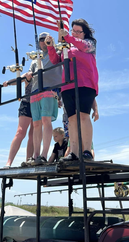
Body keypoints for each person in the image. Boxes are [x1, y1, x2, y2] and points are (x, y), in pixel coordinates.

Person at [46, 18, 99, 161]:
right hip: (67, 86)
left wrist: (67, 36)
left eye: (78, 31)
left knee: (83, 116)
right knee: (72, 120)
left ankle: (87, 151)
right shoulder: (67, 46)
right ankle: (74, 152)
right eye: (73, 30)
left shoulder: (90, 44)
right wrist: (51, 47)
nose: (75, 33)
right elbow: (56, 60)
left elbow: (82, 45)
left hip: (85, 84)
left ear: (84, 32)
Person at [24, 32, 62, 165]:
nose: (43, 42)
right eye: (41, 39)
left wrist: (52, 43)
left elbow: (60, 55)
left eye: (45, 39)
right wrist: (27, 75)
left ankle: (44, 155)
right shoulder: (35, 59)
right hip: (35, 91)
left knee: (46, 120)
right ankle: (35, 156)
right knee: (36, 124)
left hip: (50, 89)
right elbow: (29, 74)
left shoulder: (56, 50)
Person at [3, 74, 34, 168]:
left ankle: (29, 160)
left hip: (39, 102)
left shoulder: (44, 71)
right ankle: (9, 162)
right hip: (27, 103)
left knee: (33, 134)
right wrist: (8, 83)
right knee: (20, 132)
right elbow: (20, 79)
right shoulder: (31, 71)